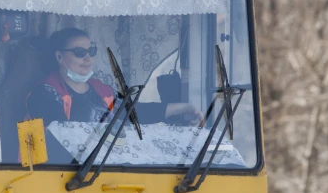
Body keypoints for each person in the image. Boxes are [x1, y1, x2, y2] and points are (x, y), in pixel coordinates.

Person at [26, 27, 203, 127]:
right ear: (59, 57)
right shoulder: (45, 93)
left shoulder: (101, 90)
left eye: (91, 51)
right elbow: (59, 137)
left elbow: (133, 112)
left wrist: (183, 108)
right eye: (79, 52)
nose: (88, 58)